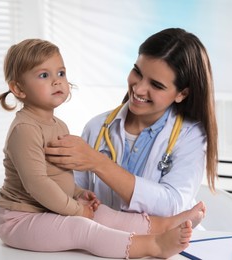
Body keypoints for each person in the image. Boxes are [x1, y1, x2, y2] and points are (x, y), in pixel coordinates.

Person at [0, 38, 205, 259]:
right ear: (18, 88)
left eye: (61, 73)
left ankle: (165, 224)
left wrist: (80, 194)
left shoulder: (59, 126)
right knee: (83, 226)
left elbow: (61, 178)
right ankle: (153, 245)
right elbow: (38, 184)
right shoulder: (27, 130)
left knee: (102, 212)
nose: (57, 82)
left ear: (182, 93)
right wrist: (77, 208)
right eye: (44, 75)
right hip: (22, 218)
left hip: (48, 212)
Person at [45, 28, 218, 217]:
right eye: (137, 72)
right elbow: (74, 196)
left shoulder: (190, 135)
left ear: (181, 94)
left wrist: (99, 163)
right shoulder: (97, 127)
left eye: (156, 85)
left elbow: (172, 204)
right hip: (104, 239)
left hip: (168, 243)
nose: (139, 88)